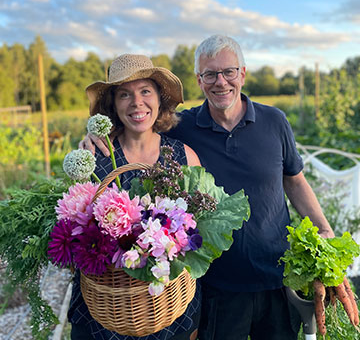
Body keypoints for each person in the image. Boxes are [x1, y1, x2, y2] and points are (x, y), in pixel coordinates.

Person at [80, 35, 335, 340]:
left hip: (276, 278)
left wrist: (324, 229)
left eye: (228, 72)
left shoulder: (274, 121)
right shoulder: (181, 127)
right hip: (218, 287)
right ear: (199, 81)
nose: (221, 82)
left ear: (242, 73)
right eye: (210, 74)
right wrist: (94, 139)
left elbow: (294, 181)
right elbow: (139, 121)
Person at [70, 53, 202, 340]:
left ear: (159, 100)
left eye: (145, 91)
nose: (137, 103)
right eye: (124, 95)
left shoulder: (184, 157)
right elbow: (74, 229)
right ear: (113, 106)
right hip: (104, 313)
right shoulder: (96, 156)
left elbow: (199, 234)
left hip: (169, 311)